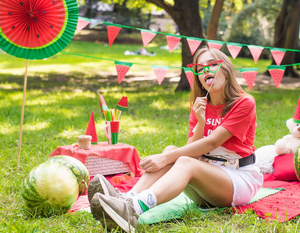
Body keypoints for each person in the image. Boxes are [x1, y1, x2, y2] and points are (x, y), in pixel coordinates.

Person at [89, 47, 263, 233]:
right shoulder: (200, 105)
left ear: (226, 69)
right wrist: (201, 121)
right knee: (173, 150)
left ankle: (133, 209)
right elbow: (192, 150)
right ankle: (127, 199)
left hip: (237, 179)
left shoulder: (244, 102)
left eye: (212, 65)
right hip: (207, 183)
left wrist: (166, 158)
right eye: (200, 68)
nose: (206, 71)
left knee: (178, 159)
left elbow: (212, 143)